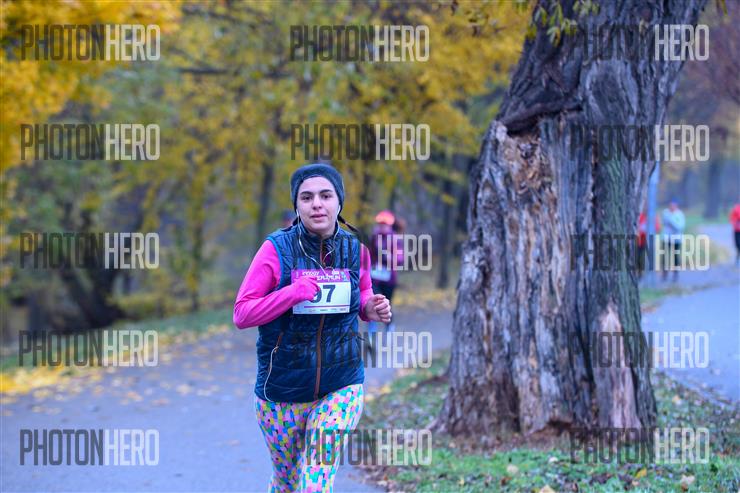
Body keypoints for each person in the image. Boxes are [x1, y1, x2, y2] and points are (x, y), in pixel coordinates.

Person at [233, 163, 391, 492]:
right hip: (282, 392)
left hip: (341, 385)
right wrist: (292, 293)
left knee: (314, 481)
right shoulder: (276, 250)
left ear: (339, 202)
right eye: (306, 197)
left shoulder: (356, 250)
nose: (317, 204)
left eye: (325, 195)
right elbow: (242, 313)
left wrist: (370, 307)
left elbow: (362, 293)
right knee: (287, 482)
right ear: (297, 206)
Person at [368, 210, 403, 334]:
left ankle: (389, 328)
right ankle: (371, 331)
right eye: (380, 224)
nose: (382, 226)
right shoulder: (374, 237)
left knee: (387, 304)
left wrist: (390, 258)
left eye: (384, 224)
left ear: (390, 225)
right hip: (375, 278)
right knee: (374, 302)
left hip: (389, 279)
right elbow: (369, 255)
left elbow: (400, 260)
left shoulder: (395, 239)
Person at [660, 199, 686, 281]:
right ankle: (664, 272)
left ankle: (675, 273)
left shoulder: (679, 214)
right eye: (670, 206)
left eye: (673, 206)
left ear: (676, 206)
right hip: (666, 238)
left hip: (676, 239)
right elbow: (663, 223)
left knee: (675, 256)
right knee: (665, 256)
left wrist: (671, 221)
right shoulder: (666, 213)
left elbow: (680, 227)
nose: (671, 207)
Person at [637, 208, 660, 277]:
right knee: (639, 257)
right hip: (640, 241)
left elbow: (657, 228)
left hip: (649, 241)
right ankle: (640, 272)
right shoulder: (641, 216)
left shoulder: (654, 217)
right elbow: (637, 227)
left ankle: (650, 274)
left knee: (649, 257)